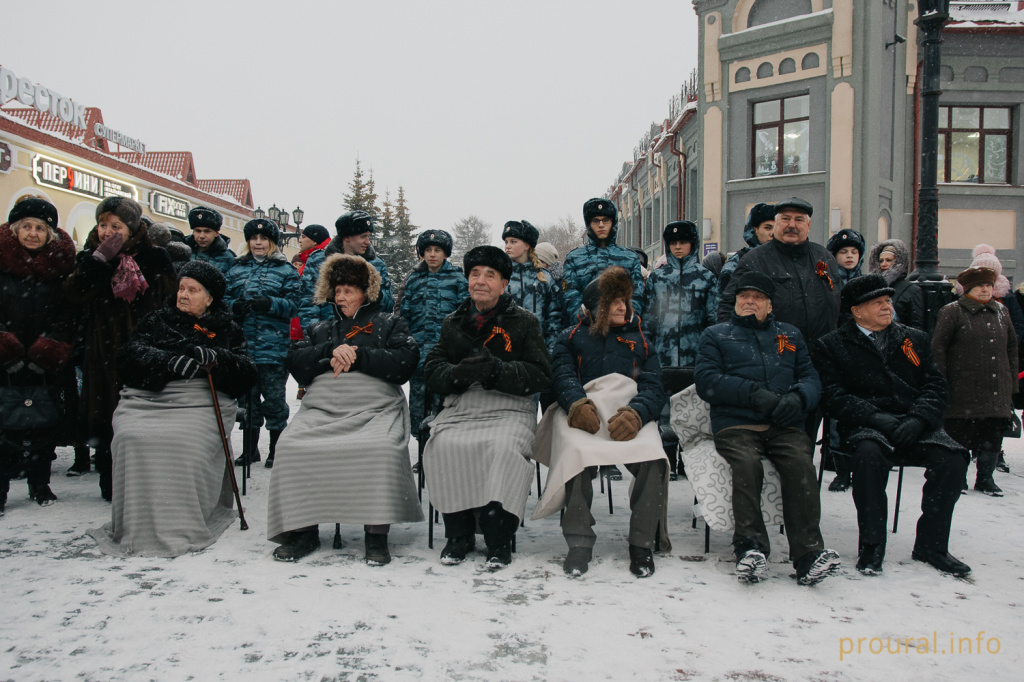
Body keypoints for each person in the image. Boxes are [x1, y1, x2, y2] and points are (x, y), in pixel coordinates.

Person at [89, 261, 257, 557]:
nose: (183, 294)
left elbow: (246, 373)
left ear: (210, 298)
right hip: (149, 399)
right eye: (181, 288)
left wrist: (218, 359)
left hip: (201, 401)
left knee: (183, 440)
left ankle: (182, 522)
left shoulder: (225, 328)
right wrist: (165, 362)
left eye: (193, 290)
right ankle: (138, 523)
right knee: (131, 436)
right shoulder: (157, 321)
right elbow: (129, 357)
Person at [267, 254, 423, 565]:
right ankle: (303, 530)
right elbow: (296, 364)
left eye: (349, 290)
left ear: (366, 292)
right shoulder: (320, 328)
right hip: (323, 409)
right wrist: (328, 351)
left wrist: (358, 355)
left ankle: (376, 534)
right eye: (337, 290)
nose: (341, 297)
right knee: (291, 445)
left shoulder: (389, 324)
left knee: (380, 449)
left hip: (374, 408)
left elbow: (406, 362)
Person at [813, 274, 971, 577]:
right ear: (856, 311)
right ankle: (872, 545)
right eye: (878, 303)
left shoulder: (914, 338)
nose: (887, 307)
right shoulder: (832, 345)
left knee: (952, 459)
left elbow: (936, 387)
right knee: (869, 457)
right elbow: (832, 395)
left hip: (914, 423)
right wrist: (875, 417)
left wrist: (917, 419)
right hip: (865, 426)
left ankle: (932, 546)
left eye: (888, 301)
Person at [696, 271, 839, 585]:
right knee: (747, 465)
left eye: (757, 297)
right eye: (743, 297)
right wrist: (751, 393)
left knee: (801, 465)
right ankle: (750, 546)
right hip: (736, 424)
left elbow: (811, 378)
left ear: (770, 304)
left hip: (784, 423)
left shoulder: (789, 336)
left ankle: (808, 554)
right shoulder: (716, 335)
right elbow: (707, 381)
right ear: (734, 303)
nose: (749, 302)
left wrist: (799, 398)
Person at [532, 266, 668, 578]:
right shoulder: (569, 338)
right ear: (597, 308)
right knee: (576, 455)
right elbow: (563, 375)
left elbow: (653, 385)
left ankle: (641, 543)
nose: (624, 306)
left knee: (654, 457)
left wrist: (637, 413)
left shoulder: (642, 341)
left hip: (628, 413)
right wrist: (576, 402)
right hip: (584, 412)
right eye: (615, 301)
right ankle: (579, 542)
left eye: (625, 300)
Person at [423, 246, 551, 569]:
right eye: (475, 274)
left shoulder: (524, 322)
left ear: (504, 285)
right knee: (445, 444)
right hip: (464, 406)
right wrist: (456, 374)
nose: (481, 281)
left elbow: (540, 374)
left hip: (509, 406)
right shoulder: (453, 323)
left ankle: (498, 536)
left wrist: (497, 371)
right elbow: (432, 368)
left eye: (490, 275)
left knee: (503, 448)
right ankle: (459, 532)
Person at [64, 196, 177, 501]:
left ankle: (146, 480)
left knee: (143, 417)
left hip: (146, 348)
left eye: (116, 225)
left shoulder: (154, 257)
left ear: (132, 227)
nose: (107, 231)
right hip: (103, 351)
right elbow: (73, 295)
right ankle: (110, 481)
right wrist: (98, 262)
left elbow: (171, 301)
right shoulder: (90, 258)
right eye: (103, 224)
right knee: (107, 416)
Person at [719, 198, 842, 441]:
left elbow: (841, 304)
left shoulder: (824, 257)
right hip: (773, 363)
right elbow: (728, 308)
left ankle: (802, 473)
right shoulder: (756, 260)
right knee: (778, 436)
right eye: (785, 219)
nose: (791, 225)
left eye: (798, 220)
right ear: (775, 224)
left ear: (809, 225)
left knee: (806, 434)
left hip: (818, 362)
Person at [0, 197, 77, 511]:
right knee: (3, 425)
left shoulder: (60, 270)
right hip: (4, 363)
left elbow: (68, 316)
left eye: (40, 228)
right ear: (15, 229)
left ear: (50, 233)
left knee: (43, 424)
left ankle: (40, 483)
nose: (33, 233)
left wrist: (47, 352)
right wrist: (8, 350)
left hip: (46, 363)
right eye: (27, 227)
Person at [225, 218, 313, 468]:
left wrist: (272, 305)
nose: (258, 243)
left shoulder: (285, 271)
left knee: (274, 401)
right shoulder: (236, 269)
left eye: (263, 239)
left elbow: (295, 304)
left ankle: (276, 449)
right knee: (248, 401)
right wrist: (235, 307)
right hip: (243, 347)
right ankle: (250, 449)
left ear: (272, 242)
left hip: (273, 348)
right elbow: (222, 301)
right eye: (254, 239)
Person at [933, 265, 1018, 497]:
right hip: (962, 390)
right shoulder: (952, 311)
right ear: (968, 289)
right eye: (980, 286)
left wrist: (1011, 384)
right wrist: (941, 382)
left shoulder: (1001, 311)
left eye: (989, 285)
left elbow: (1011, 347)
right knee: (960, 436)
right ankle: (957, 478)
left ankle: (985, 479)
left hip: (996, 388)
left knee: (992, 436)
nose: (985, 289)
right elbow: (938, 348)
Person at [643, 220, 718, 476]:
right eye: (673, 243)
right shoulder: (657, 278)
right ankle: (667, 460)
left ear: (693, 244)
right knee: (665, 410)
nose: (677, 247)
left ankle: (690, 461)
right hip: (663, 355)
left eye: (682, 242)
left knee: (693, 410)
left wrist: (709, 353)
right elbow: (649, 319)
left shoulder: (706, 277)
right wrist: (647, 351)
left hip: (694, 356)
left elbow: (712, 319)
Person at [398, 229, 468, 434]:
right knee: (418, 406)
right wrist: (407, 343)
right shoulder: (414, 279)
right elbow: (405, 315)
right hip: (419, 353)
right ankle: (421, 446)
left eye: (437, 250)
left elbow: (463, 316)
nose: (432, 254)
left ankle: (440, 449)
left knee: (443, 405)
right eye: (428, 250)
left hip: (446, 355)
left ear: (446, 253)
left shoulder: (457, 279)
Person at [820, 228, 867, 492]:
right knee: (836, 414)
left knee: (859, 413)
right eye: (843, 252)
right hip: (836, 354)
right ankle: (841, 469)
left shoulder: (868, 282)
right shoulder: (827, 282)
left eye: (853, 252)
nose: (849, 256)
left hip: (862, 357)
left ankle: (857, 464)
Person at [562, 198, 644, 320]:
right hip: (586, 329)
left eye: (605, 220)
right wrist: (584, 317)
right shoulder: (574, 258)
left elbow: (636, 293)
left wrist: (627, 318)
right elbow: (570, 294)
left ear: (613, 222)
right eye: (595, 221)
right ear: (589, 224)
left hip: (621, 328)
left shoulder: (630, 257)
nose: (601, 225)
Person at [309, 210, 394, 315]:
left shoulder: (377, 264)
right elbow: (308, 304)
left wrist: (375, 293)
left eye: (368, 236)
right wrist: (319, 330)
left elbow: (389, 306)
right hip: (329, 329)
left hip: (366, 329)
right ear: (346, 237)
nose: (367, 241)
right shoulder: (318, 261)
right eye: (363, 236)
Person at [503, 220, 563, 351]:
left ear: (526, 246)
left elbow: (554, 318)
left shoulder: (544, 278)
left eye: (513, 242)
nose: (507, 246)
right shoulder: (500, 277)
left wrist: (550, 351)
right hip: (505, 350)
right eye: (506, 242)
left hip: (537, 351)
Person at [718, 202, 774, 295]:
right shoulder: (740, 260)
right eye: (767, 228)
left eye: (776, 229)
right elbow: (723, 300)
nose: (772, 233)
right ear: (755, 230)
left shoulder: (787, 258)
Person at [867, 239, 924, 329]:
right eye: (881, 261)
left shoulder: (911, 290)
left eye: (888, 260)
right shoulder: (870, 287)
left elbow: (916, 325)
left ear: (899, 262)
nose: (883, 264)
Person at [290, 223, 332, 345]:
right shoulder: (317, 257)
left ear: (314, 241)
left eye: (303, 237)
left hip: (319, 328)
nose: (300, 240)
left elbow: (310, 299)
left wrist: (312, 332)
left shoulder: (318, 258)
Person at [185, 206, 236, 274]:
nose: (202, 236)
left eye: (207, 231)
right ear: (193, 232)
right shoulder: (184, 252)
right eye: (198, 231)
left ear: (216, 233)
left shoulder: (228, 258)